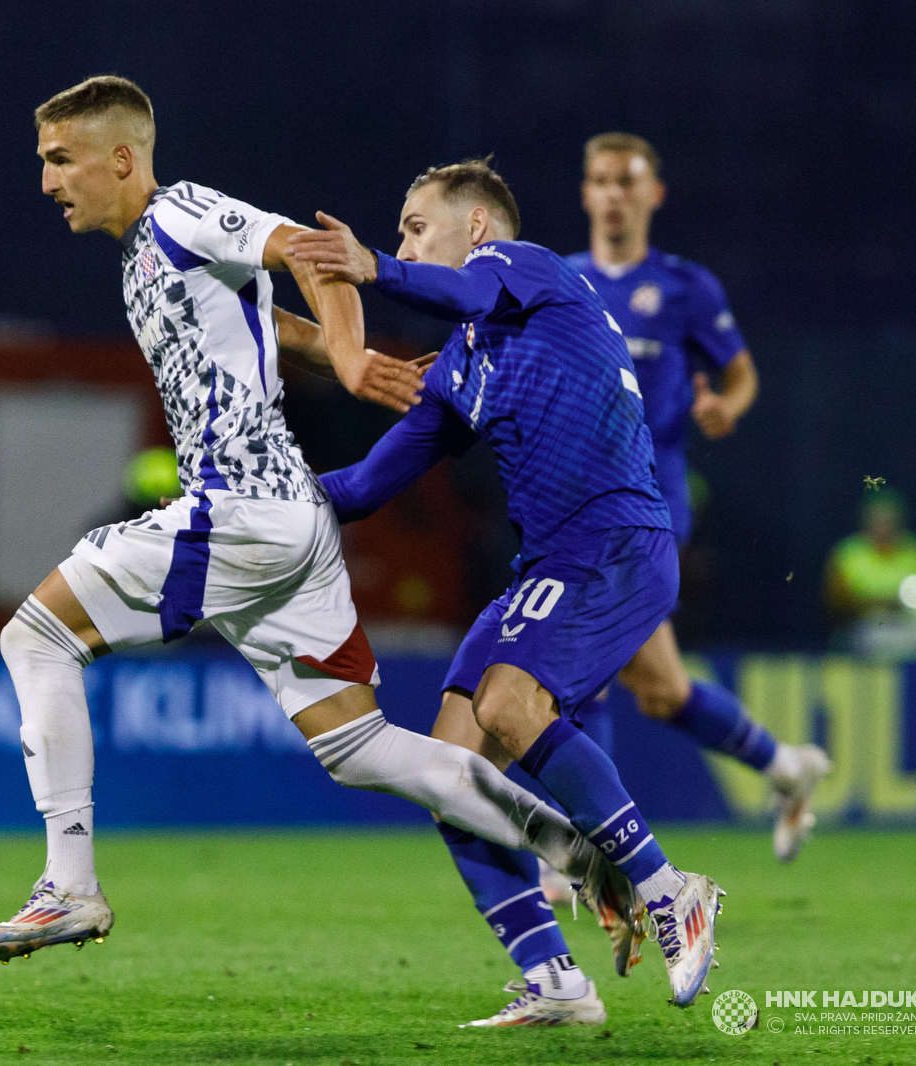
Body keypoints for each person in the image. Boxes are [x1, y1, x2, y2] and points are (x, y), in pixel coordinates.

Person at [0, 77, 636, 967]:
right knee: (360, 748)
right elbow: (268, 320)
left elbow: (315, 252)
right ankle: (583, 855)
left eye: (60, 160)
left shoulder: (183, 211)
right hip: (294, 523)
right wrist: (340, 351)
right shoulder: (144, 259)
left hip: (240, 511)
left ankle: (69, 887)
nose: (48, 181)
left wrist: (356, 361)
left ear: (121, 159)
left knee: (36, 636)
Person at [287, 156, 723, 1019]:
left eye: (417, 224)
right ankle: (556, 981)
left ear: (476, 225)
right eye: (401, 231)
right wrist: (239, 504)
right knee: (452, 778)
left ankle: (671, 889)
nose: (406, 239)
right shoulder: (461, 364)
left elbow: (461, 293)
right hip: (551, 566)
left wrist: (375, 265)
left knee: (509, 701)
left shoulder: (527, 270)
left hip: (614, 543)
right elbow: (367, 488)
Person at [565, 133, 830, 864]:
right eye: (602, 180)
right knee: (660, 689)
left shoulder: (685, 287)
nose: (614, 193)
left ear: (654, 195)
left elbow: (739, 373)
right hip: (573, 501)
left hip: (652, 501)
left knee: (579, 663)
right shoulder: (560, 279)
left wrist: (730, 407)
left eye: (628, 181)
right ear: (585, 194)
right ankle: (787, 767)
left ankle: (588, 854)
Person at [823, 489, 916, 660]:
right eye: (878, 519)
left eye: (889, 519)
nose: (884, 525)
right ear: (866, 521)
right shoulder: (849, 552)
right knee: (870, 641)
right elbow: (835, 604)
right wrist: (872, 604)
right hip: (866, 629)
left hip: (910, 629)